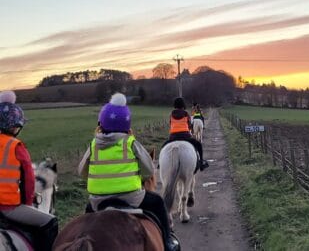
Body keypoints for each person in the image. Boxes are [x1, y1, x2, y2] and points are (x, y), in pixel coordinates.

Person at [78, 93, 179, 251]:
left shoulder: (93, 145)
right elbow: (148, 169)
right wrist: (140, 177)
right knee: (158, 203)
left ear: (101, 124)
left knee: (86, 222)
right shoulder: (130, 142)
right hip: (131, 198)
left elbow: (82, 172)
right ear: (127, 125)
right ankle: (168, 242)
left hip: (98, 201)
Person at [0, 91, 58, 251]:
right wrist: (26, 204)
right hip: (8, 208)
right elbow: (29, 180)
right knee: (50, 222)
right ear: (15, 126)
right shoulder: (16, 146)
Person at [163, 97, 209, 171]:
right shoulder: (186, 114)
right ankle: (201, 163)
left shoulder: (171, 114)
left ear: (174, 105)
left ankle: (160, 164)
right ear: (183, 105)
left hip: (173, 137)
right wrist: (190, 131)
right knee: (199, 145)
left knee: (164, 146)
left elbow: (170, 124)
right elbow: (190, 125)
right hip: (185, 136)